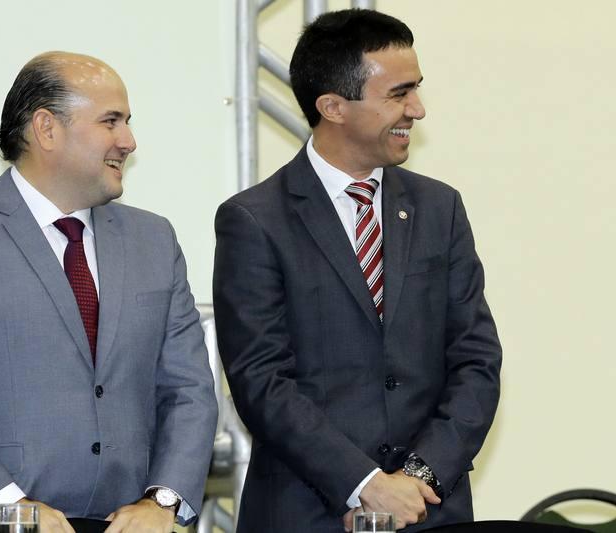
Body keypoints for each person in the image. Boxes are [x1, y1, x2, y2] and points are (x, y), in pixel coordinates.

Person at [0, 51, 218, 533]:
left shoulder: (154, 239)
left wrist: (162, 502)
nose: (128, 141)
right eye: (111, 121)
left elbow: (190, 390)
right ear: (46, 128)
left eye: (127, 122)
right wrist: (13, 507)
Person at [213, 9, 501, 532]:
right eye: (399, 94)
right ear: (333, 107)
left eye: (416, 89)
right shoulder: (255, 220)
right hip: (308, 513)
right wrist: (364, 483)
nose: (417, 109)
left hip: (429, 510)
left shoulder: (440, 208)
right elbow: (261, 380)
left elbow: (477, 360)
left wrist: (417, 479)